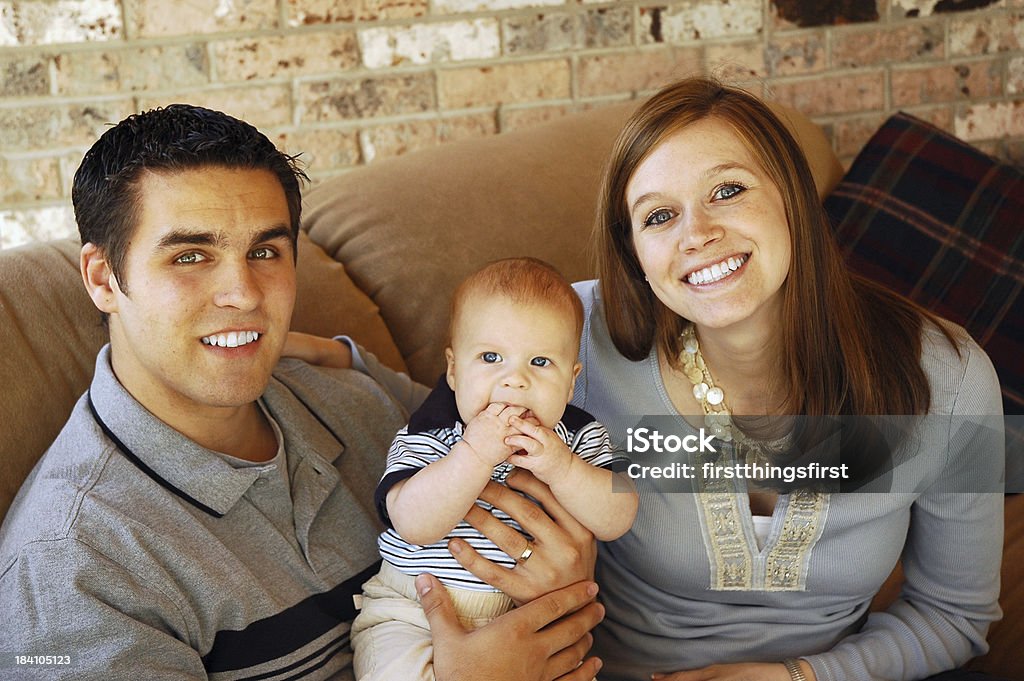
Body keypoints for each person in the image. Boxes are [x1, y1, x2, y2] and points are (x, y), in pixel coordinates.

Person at [0, 104, 605, 681]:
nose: (243, 293)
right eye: (190, 256)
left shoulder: (356, 402)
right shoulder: (72, 569)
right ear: (103, 277)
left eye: (264, 251)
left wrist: (568, 578)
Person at [573, 76, 1005, 681]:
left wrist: (799, 678)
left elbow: (954, 615)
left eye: (727, 189)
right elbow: (444, 442)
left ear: (792, 198)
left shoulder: (948, 378)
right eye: (660, 216)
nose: (696, 235)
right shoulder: (573, 341)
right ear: (635, 254)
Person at [348, 257, 638, 679]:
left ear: (572, 381)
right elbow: (411, 522)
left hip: (535, 620)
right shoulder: (433, 433)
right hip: (414, 611)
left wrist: (561, 468)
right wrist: (474, 455)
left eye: (540, 363)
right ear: (453, 370)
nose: (515, 380)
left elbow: (617, 518)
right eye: (490, 357)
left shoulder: (578, 438)